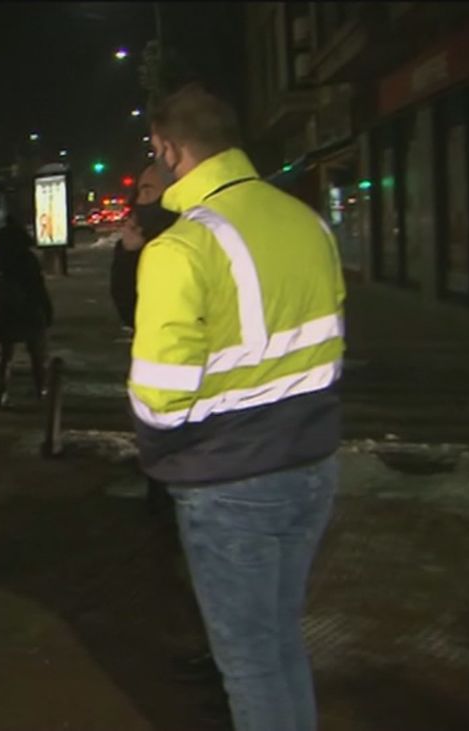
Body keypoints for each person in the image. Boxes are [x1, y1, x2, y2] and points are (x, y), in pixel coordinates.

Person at [130, 85, 346, 731]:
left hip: (229, 484)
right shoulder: (307, 222)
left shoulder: (181, 248)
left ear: (169, 148)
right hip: (312, 466)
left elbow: (159, 399)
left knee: (248, 662)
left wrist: (168, 462)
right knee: (279, 643)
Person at [113, 163, 179, 517]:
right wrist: (129, 254)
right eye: (139, 190)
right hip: (159, 397)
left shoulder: (189, 242)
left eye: (148, 190)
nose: (139, 199)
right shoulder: (146, 244)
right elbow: (130, 311)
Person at [0, 215, 53, 408]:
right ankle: (41, 390)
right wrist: (47, 308)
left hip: (7, 311)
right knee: (36, 354)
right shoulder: (27, 258)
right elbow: (37, 286)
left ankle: (3, 393)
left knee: (6, 355)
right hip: (30, 310)